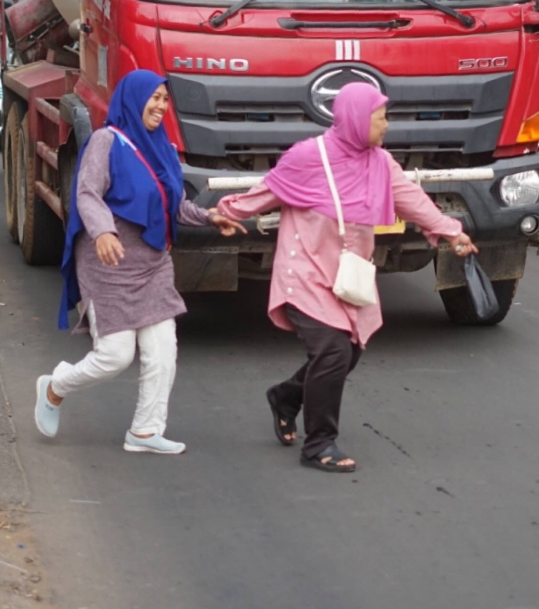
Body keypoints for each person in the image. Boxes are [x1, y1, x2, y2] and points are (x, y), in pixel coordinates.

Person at [217, 83, 477, 474]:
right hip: (304, 271)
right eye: (381, 118)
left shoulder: (380, 162)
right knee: (333, 352)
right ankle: (319, 444)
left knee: (348, 351)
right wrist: (228, 212)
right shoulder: (309, 157)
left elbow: (411, 199)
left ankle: (286, 397)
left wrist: (452, 231)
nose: (387, 125)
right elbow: (269, 190)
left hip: (349, 274)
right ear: (357, 119)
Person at [34, 70, 245, 454]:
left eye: (165, 100)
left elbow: (172, 205)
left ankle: (145, 432)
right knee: (115, 355)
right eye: (155, 97)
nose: (161, 106)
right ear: (133, 98)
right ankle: (54, 386)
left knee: (163, 349)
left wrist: (208, 217)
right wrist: (102, 232)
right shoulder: (105, 141)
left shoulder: (159, 145)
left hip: (152, 263)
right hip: (109, 264)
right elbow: (87, 194)